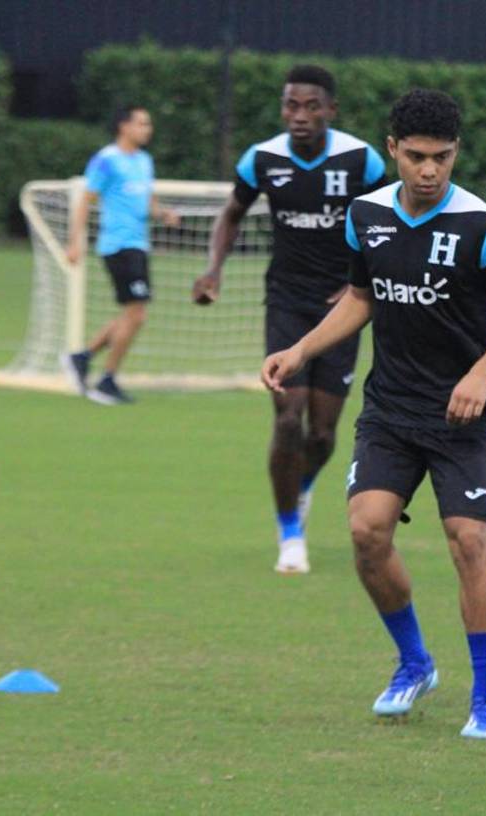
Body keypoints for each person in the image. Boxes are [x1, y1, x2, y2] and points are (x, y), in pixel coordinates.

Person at [261, 89, 486, 739]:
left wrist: (481, 372)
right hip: (389, 410)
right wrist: (301, 348)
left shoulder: (482, 224)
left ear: (455, 154)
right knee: (366, 534)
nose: (429, 170)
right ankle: (414, 663)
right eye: (415, 157)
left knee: (469, 540)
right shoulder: (365, 215)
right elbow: (362, 296)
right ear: (393, 150)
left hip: (459, 418)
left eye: (442, 157)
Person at [193, 65, 386, 575]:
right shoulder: (263, 159)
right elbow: (232, 213)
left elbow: (387, 220)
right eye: (291, 106)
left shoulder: (360, 160)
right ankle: (289, 533)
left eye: (311, 106)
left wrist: (361, 281)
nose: (300, 116)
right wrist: (214, 268)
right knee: (286, 418)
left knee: (322, 435)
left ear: (331, 110)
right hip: (285, 303)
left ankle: (300, 487)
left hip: (342, 309)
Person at [62, 106, 180, 405]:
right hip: (117, 245)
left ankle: (82, 358)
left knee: (132, 313)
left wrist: (163, 213)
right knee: (137, 313)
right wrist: (76, 241)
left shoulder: (144, 161)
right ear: (123, 127)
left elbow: (148, 202)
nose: (147, 129)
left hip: (138, 245)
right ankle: (107, 379)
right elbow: (85, 202)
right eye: (142, 123)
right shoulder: (106, 160)